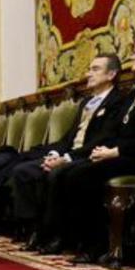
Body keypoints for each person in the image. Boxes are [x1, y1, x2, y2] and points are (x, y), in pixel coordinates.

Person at [55, 34, 135, 265]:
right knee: (71, 171)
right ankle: (86, 242)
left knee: (81, 175)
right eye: (134, 52)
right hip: (130, 154)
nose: (133, 57)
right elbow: (118, 129)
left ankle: (97, 245)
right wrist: (106, 148)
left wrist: (116, 152)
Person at [10, 54, 125, 253]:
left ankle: (58, 235)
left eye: (96, 69)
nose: (89, 73)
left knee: (57, 174)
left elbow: (103, 139)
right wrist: (55, 154)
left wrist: (66, 159)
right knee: (23, 171)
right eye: (90, 68)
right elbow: (68, 137)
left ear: (111, 74)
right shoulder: (86, 102)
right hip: (71, 154)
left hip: (91, 157)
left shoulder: (118, 101)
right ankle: (36, 230)